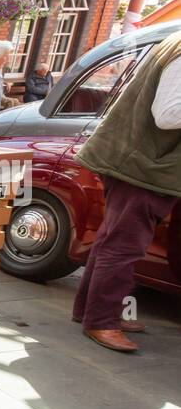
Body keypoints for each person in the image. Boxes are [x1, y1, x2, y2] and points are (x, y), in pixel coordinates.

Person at [71, 30, 181, 353]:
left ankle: (90, 313)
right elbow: (167, 114)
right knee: (123, 246)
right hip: (143, 167)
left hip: (139, 163)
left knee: (111, 240)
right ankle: (101, 321)